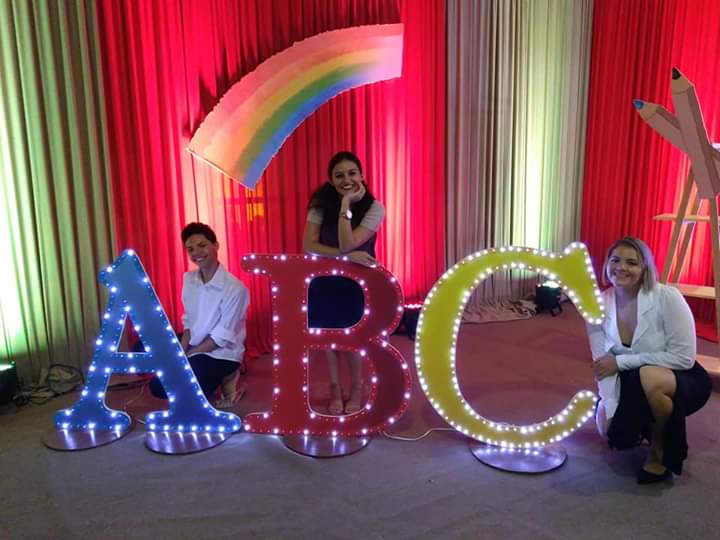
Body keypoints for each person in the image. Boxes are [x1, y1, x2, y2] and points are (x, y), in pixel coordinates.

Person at [587, 236, 711, 484]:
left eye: (631, 262)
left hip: (679, 374)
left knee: (649, 376)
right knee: (609, 430)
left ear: (645, 268)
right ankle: (643, 424)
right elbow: (602, 366)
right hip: (632, 379)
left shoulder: (667, 297)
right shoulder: (597, 304)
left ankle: (659, 449)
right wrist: (610, 407)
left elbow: (684, 358)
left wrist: (621, 363)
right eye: (615, 260)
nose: (621, 267)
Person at [302, 151, 385, 415]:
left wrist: (346, 205)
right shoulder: (319, 203)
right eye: (339, 175)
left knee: (352, 338)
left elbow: (348, 243)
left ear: (362, 175)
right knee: (329, 338)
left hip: (356, 281)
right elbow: (308, 245)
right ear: (331, 180)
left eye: (352, 173)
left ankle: (357, 388)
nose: (346, 180)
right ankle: (335, 388)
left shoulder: (375, 207)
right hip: (323, 279)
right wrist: (343, 256)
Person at [149, 222, 249, 403]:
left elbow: (221, 337)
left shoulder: (235, 288)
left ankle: (229, 375)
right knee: (155, 383)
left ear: (216, 245)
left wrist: (186, 357)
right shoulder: (189, 279)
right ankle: (201, 375)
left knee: (182, 388)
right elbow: (189, 321)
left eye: (202, 245)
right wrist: (181, 351)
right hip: (194, 344)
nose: (196, 253)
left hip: (221, 352)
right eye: (190, 249)